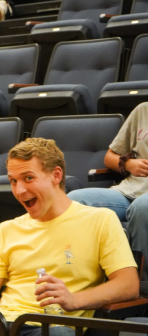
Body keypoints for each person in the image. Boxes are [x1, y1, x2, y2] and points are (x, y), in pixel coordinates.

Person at [0, 137, 139, 336]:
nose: (19, 190)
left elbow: (128, 285)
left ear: (56, 175)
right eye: (13, 181)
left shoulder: (100, 219)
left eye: (28, 178)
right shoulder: (7, 229)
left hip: (51, 324)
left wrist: (75, 300)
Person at [69, 102, 148, 286]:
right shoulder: (143, 110)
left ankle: (138, 284)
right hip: (128, 191)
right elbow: (110, 157)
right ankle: (82, 277)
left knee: (142, 208)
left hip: (142, 204)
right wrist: (128, 165)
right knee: (74, 201)